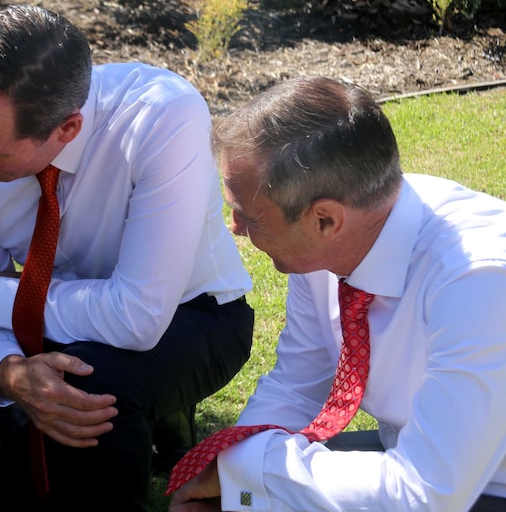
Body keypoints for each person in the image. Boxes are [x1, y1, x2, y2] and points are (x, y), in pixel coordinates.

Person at [0, 4, 255, 511]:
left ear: (67, 129)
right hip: (62, 325)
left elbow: (138, 319)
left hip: (196, 315)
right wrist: (10, 372)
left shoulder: (163, 115)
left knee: (85, 391)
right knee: (44, 396)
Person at [168, 75, 506, 512]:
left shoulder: (478, 283)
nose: (235, 227)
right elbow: (297, 384)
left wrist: (253, 469)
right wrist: (234, 475)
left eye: (249, 215)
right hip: (426, 470)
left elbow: (428, 494)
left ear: (325, 220)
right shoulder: (338, 238)